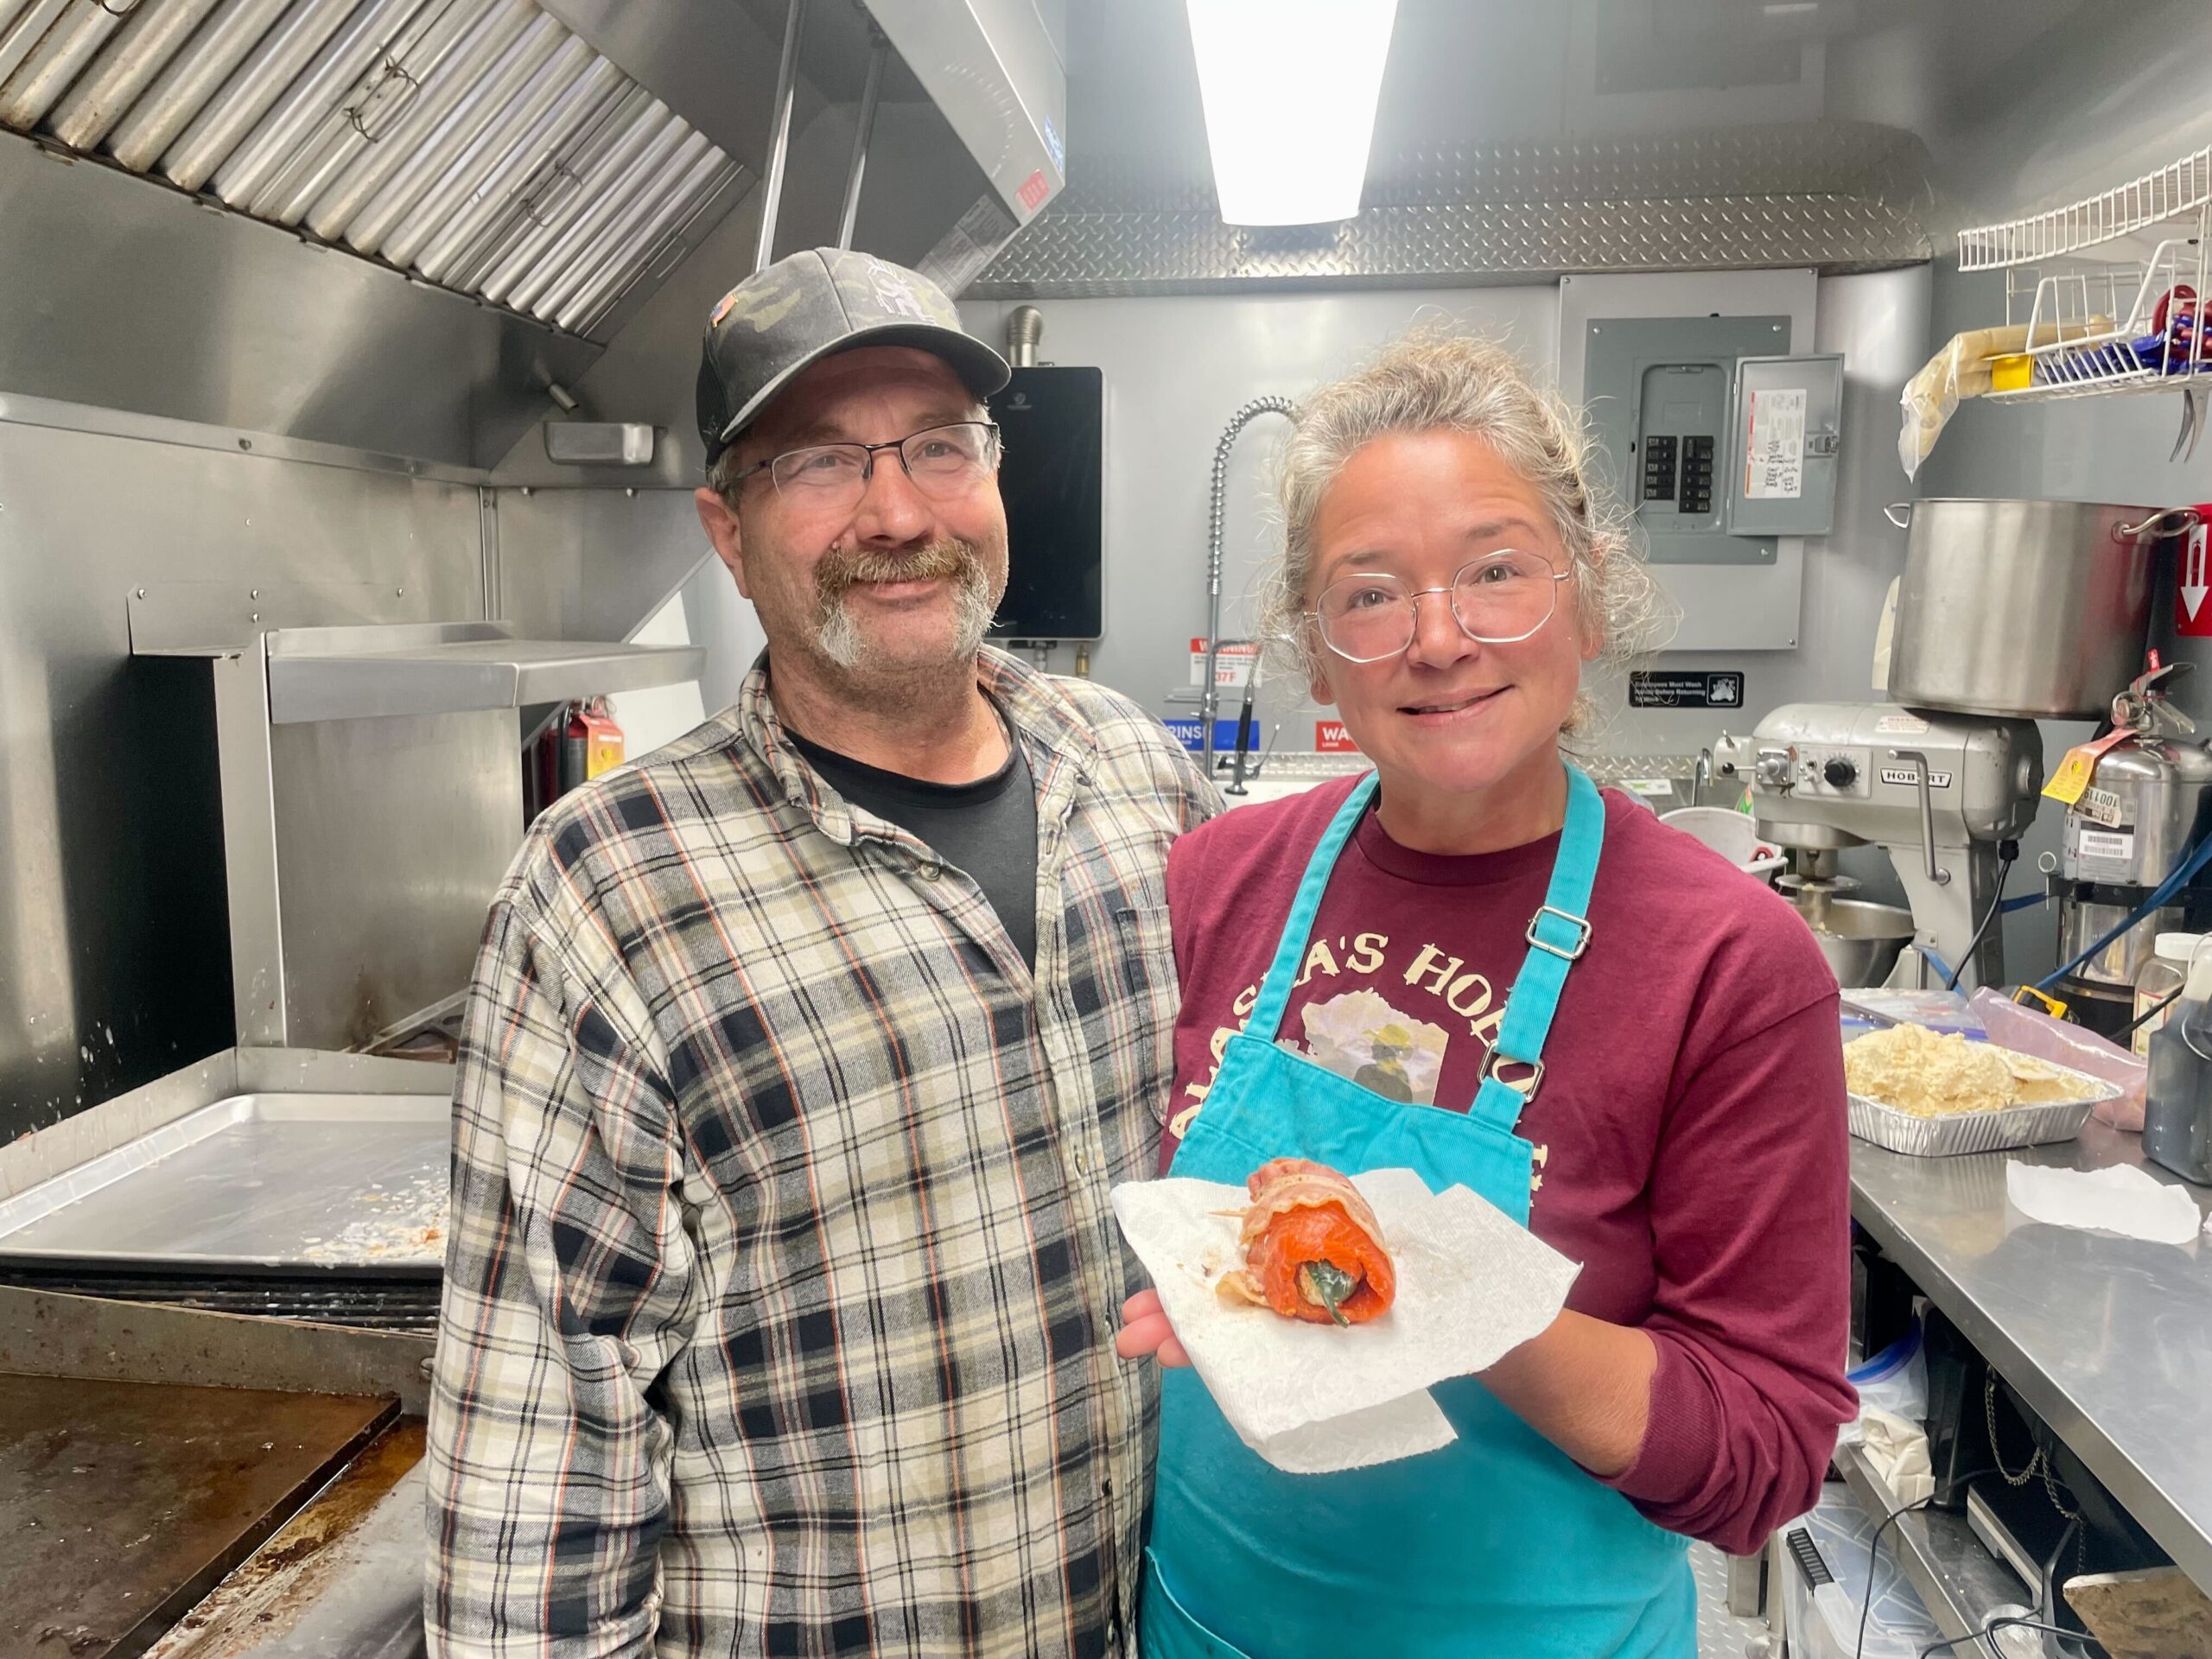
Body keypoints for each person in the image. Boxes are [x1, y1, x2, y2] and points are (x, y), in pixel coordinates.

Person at [427, 247, 1216, 1658]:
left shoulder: (1141, 779)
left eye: (936, 447)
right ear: (727, 533)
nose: (898, 510)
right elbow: (539, 1451)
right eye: (820, 465)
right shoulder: (607, 890)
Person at [1118, 334, 1853, 1657]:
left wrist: (1453, 1307)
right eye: (1373, 595)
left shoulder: (1729, 964)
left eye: (1498, 572)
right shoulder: (1217, 880)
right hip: (1202, 1627)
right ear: (1318, 645)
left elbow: (1768, 1449)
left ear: (1587, 596)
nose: (1442, 642)